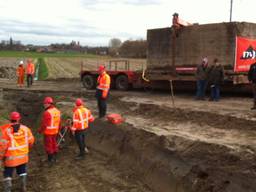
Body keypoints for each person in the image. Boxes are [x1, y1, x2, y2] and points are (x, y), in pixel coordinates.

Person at [1, 112, 34, 192]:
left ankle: (8, 188)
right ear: (19, 119)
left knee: (8, 173)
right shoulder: (25, 129)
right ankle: (23, 185)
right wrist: (28, 148)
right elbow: (31, 140)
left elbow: (3, 145)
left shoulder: (6, 130)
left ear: (10, 119)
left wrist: (1, 156)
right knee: (22, 170)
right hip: (23, 156)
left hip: (10, 157)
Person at [38, 97, 61, 165]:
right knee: (54, 143)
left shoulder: (47, 113)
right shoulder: (57, 111)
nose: (44, 105)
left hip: (48, 132)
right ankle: (55, 158)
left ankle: (50, 159)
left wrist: (40, 130)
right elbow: (59, 122)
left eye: (45, 104)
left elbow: (44, 124)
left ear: (48, 104)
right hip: (55, 131)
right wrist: (58, 129)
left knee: (48, 145)